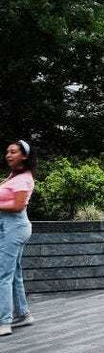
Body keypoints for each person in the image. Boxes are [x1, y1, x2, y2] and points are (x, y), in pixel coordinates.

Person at [1, 140, 36, 336]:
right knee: (13, 273)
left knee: (3, 275)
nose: (8, 154)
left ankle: (4, 322)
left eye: (13, 151)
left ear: (24, 156)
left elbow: (18, 206)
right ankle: (23, 314)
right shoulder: (14, 176)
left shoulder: (23, 179)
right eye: (7, 151)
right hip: (11, 227)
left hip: (15, 228)